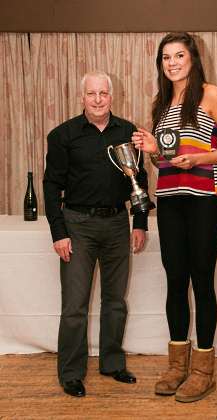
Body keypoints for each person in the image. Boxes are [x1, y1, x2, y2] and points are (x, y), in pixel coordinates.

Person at [132, 32, 217, 403]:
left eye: (179, 55)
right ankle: (177, 366)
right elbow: (163, 159)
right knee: (175, 279)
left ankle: (203, 372)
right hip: (169, 198)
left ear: (192, 59)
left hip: (204, 199)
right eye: (165, 58)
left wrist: (198, 159)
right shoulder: (160, 103)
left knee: (200, 278)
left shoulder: (211, 94)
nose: (172, 63)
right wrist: (152, 150)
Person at [43, 70, 149, 397]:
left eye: (104, 93)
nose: (99, 99)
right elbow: (51, 186)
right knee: (75, 305)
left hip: (118, 224)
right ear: (82, 97)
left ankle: (113, 363)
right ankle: (71, 373)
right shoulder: (63, 135)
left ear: (112, 97)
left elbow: (139, 178)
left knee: (115, 301)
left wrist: (140, 222)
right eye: (92, 94)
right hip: (78, 226)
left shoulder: (129, 132)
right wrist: (58, 233)